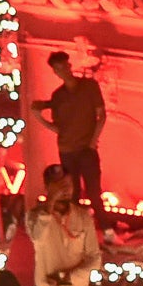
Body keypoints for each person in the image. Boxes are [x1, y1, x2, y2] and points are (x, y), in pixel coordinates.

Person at [33, 49, 107, 215]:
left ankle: (106, 229)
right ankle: (75, 228)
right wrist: (40, 119)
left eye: (64, 66)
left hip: (86, 149)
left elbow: (101, 116)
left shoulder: (89, 87)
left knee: (94, 191)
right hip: (67, 151)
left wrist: (92, 143)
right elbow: (59, 128)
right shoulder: (58, 96)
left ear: (69, 65)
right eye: (58, 69)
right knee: (72, 194)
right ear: (55, 71)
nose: (62, 71)